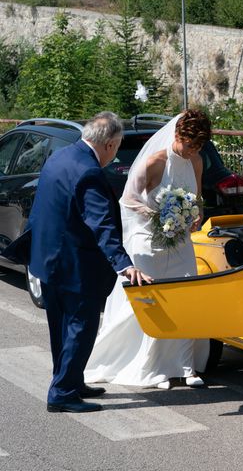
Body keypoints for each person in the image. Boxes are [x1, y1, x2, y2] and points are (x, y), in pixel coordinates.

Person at [27, 111, 152, 413]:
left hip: (49, 260)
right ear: (109, 144)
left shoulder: (60, 156)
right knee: (81, 328)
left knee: (61, 328)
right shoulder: (89, 172)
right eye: (118, 147)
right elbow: (102, 225)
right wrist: (125, 264)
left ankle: (70, 380)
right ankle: (62, 394)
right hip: (76, 266)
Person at [84, 110, 211, 389]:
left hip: (179, 242)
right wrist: (157, 215)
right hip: (148, 241)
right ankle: (154, 368)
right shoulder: (155, 161)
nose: (193, 152)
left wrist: (194, 216)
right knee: (155, 303)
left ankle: (184, 366)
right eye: (190, 145)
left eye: (198, 147)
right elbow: (127, 201)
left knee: (186, 298)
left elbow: (198, 199)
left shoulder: (196, 162)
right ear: (177, 136)